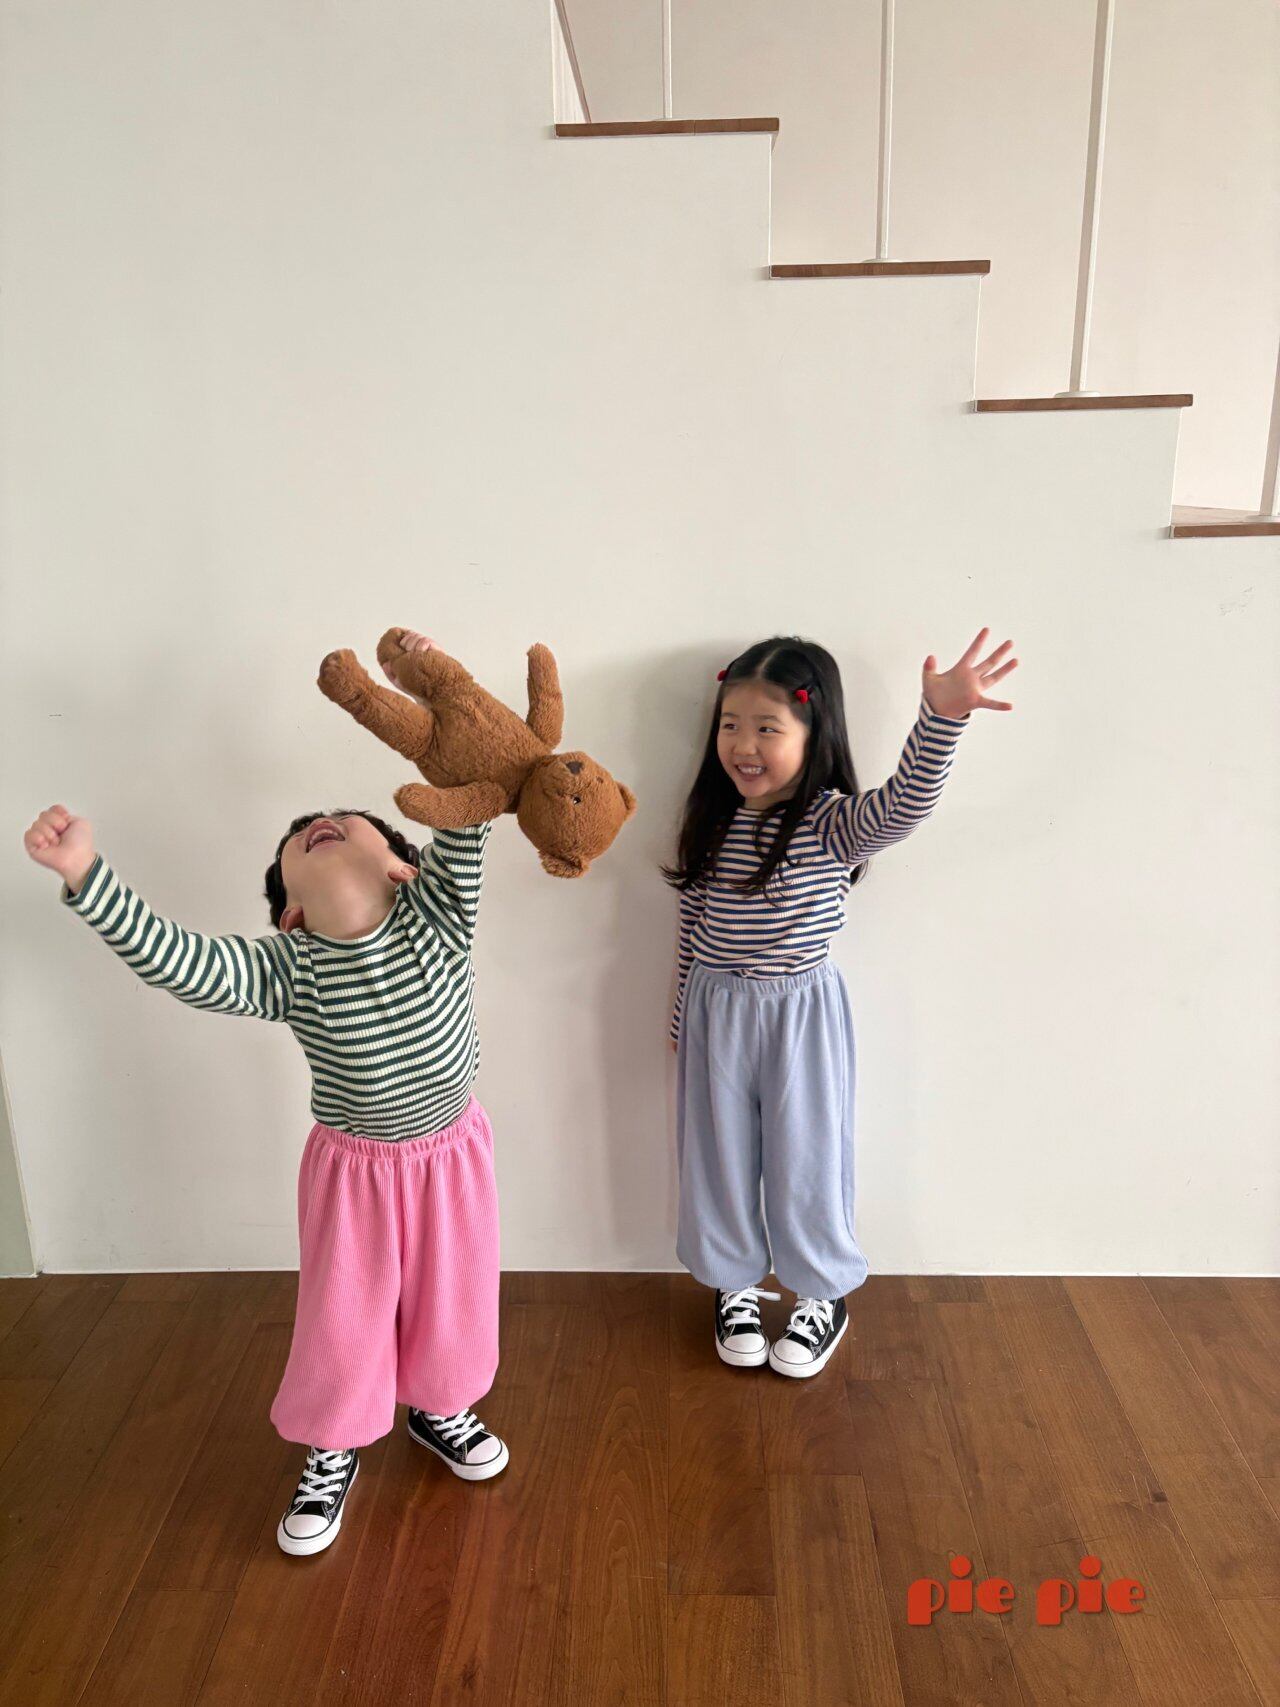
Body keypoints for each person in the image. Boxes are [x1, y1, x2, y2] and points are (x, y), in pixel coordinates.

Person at [23, 633, 508, 1557]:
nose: (319, 824)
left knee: (454, 1295)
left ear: (403, 868)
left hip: (451, 1153)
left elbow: (464, 804)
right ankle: (334, 1442)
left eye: (348, 823)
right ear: (289, 910)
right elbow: (178, 960)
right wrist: (86, 873)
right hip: (354, 1173)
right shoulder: (290, 969)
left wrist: (443, 702)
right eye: (299, 840)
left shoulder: (439, 917)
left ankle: (440, 1404)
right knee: (345, 1317)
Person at [665, 630, 1016, 1377]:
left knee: (807, 1159)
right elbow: (692, 924)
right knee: (718, 1158)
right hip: (716, 1010)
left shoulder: (830, 822)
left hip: (800, 1015)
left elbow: (904, 807)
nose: (743, 745)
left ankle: (821, 1292)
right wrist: (680, 1018)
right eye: (731, 724)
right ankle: (733, 1280)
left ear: (813, 732)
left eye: (767, 728)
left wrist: (942, 718)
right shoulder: (713, 819)